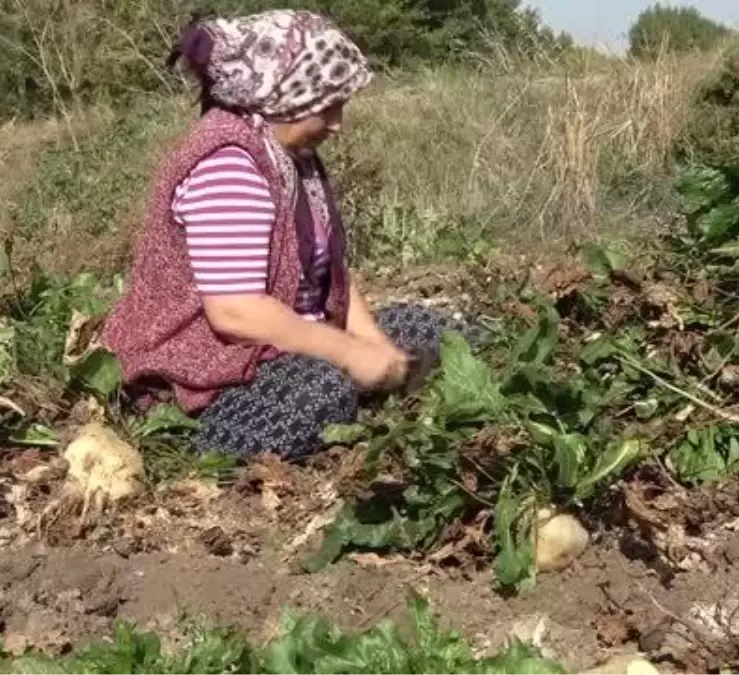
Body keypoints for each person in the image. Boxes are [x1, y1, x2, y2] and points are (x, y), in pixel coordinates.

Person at [100, 10, 479, 460]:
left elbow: (332, 273)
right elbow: (235, 313)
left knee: (447, 335)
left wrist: (377, 347)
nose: (337, 123)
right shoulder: (230, 166)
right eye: (328, 105)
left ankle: (368, 395)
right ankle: (195, 439)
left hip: (291, 346)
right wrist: (349, 354)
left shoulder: (294, 160)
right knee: (321, 394)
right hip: (209, 375)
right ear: (288, 95)